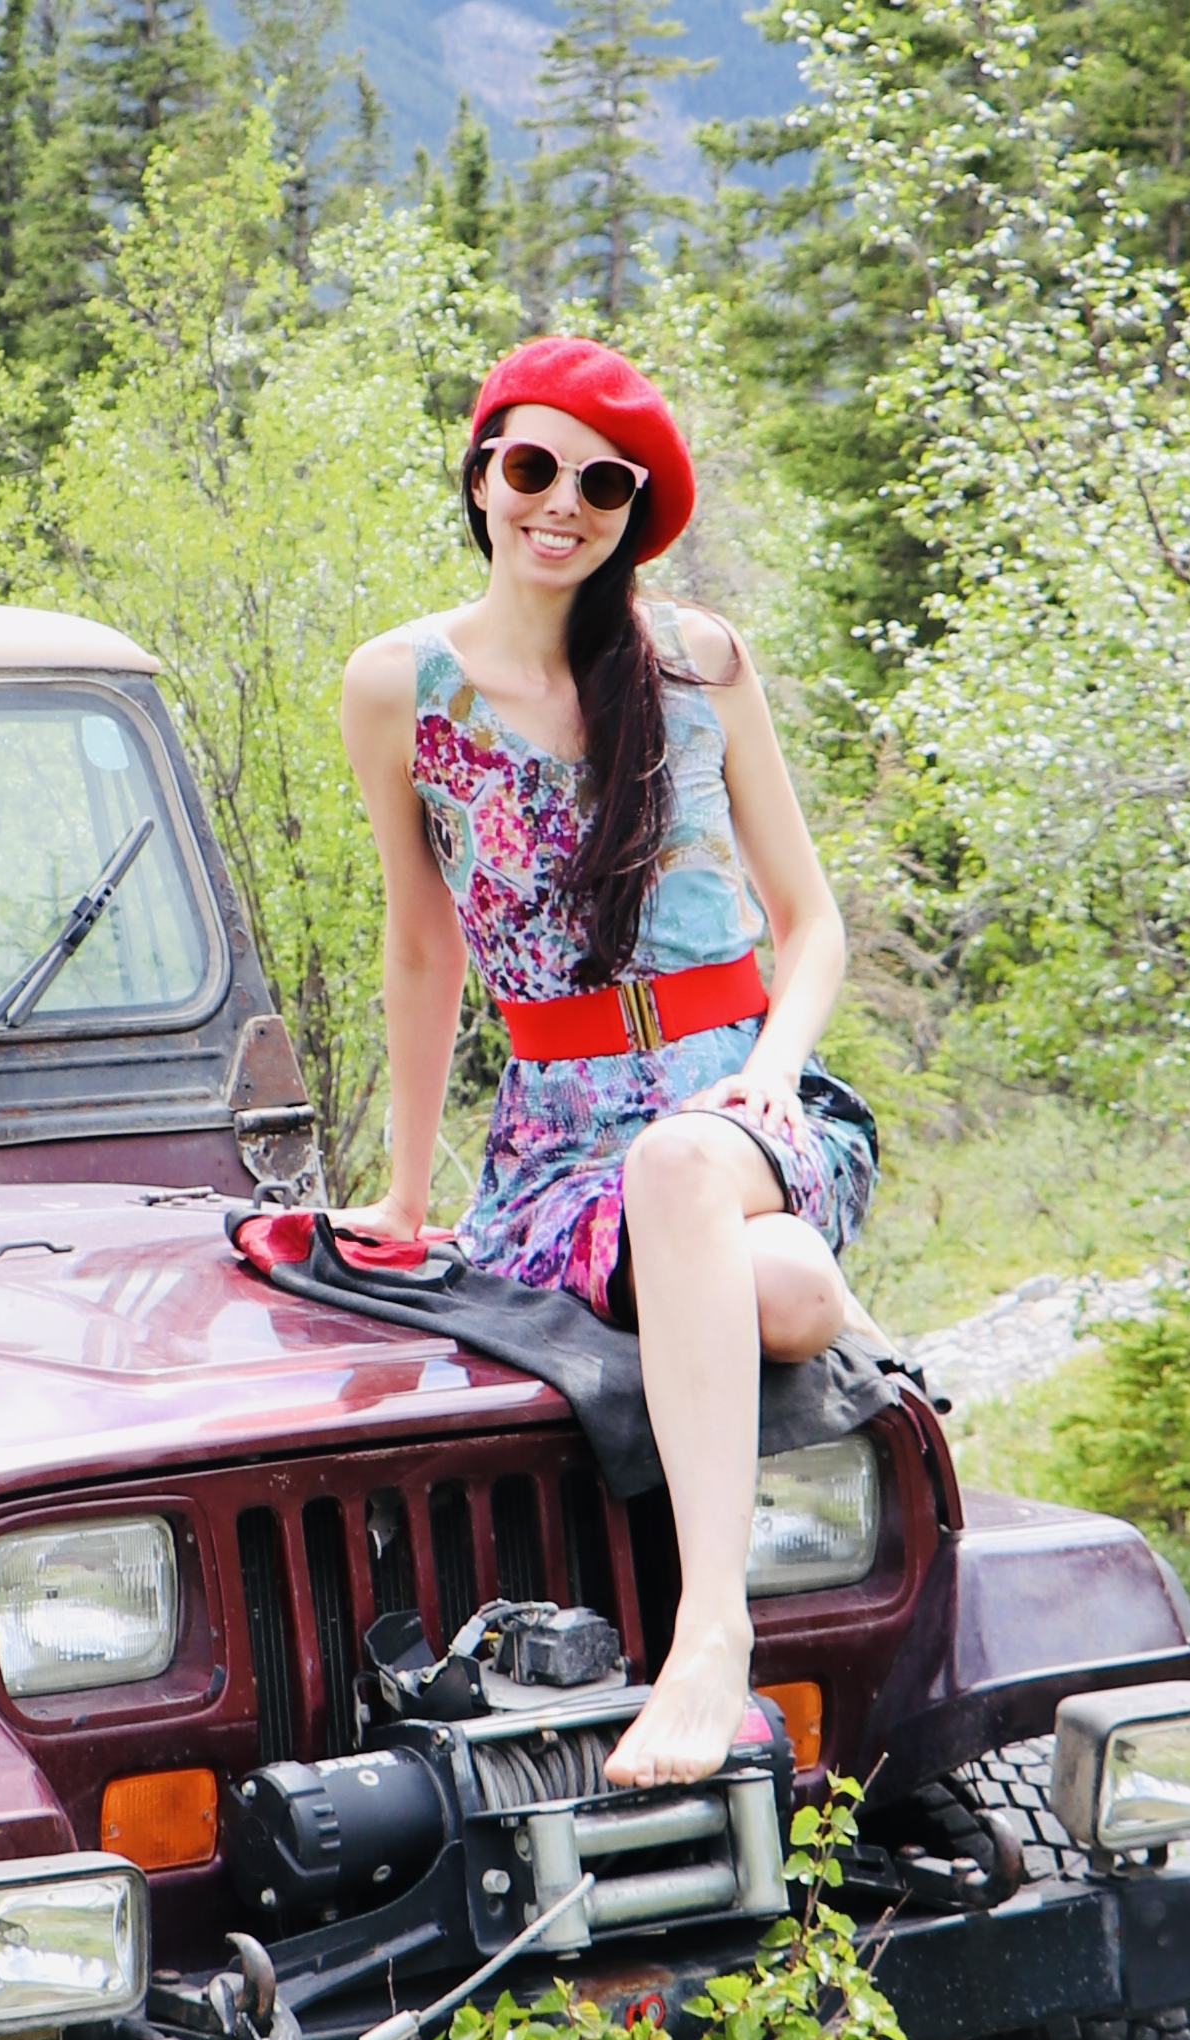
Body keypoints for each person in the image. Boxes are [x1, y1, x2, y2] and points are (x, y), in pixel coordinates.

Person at [337, 336, 879, 1793]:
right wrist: (403, 1190)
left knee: (682, 1162)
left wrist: (772, 1070)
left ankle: (710, 1635)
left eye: (598, 481)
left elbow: (809, 922)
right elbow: (419, 948)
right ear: (481, 475)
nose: (557, 503)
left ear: (632, 511)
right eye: (530, 466)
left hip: (744, 1099)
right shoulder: (399, 687)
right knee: (744, 1277)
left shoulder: (696, 664)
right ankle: (808, 1293)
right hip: (554, 1137)